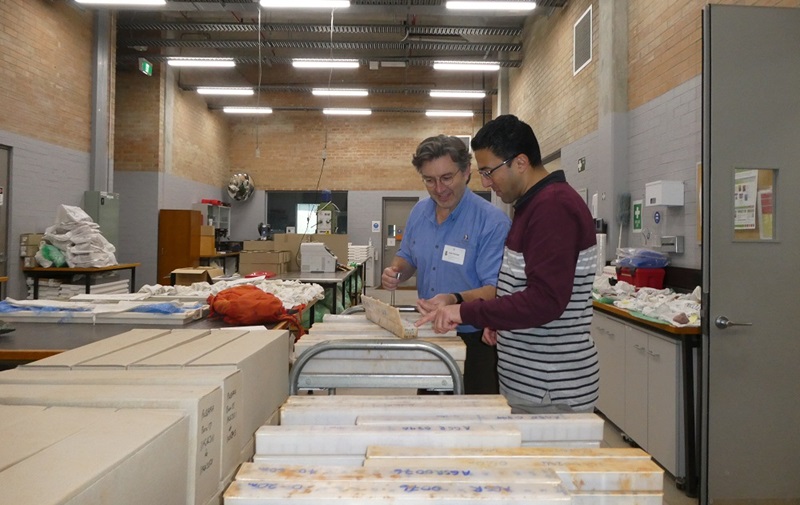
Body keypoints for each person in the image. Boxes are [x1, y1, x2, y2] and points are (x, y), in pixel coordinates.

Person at [416, 115, 599, 413]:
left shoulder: (553, 208)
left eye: (489, 171)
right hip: (533, 383)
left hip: (552, 387)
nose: (486, 182)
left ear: (521, 162)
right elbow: (525, 289)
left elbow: (546, 301)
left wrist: (464, 310)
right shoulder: (532, 206)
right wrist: (501, 321)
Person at [381, 134, 511, 394]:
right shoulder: (419, 212)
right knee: (429, 418)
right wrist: (396, 272)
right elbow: (407, 256)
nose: (438, 188)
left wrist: (453, 299)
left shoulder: (491, 222)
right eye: (429, 180)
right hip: (430, 334)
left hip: (475, 340)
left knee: (473, 423)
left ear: (466, 172)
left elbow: (496, 290)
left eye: (446, 178)